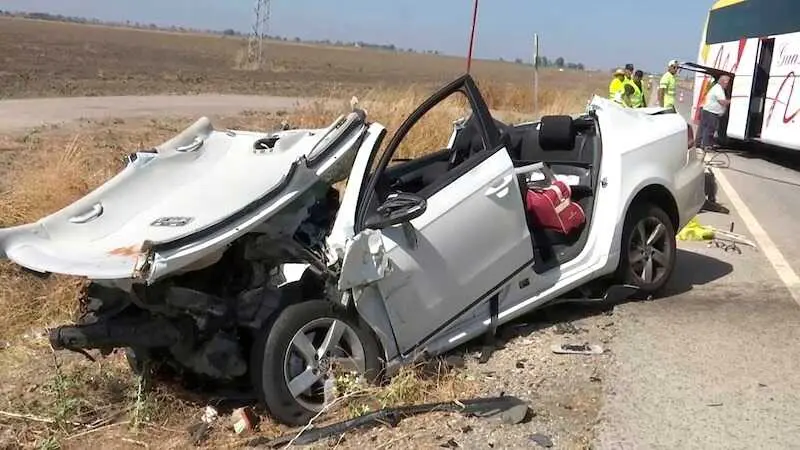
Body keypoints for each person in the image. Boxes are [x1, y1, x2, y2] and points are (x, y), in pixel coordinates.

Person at [698, 74, 731, 149]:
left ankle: (699, 143)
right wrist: (731, 101)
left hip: (708, 110)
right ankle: (705, 145)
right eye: (727, 82)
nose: (728, 84)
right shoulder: (718, 89)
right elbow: (722, 102)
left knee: (703, 128)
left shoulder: (718, 88)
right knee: (709, 128)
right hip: (711, 112)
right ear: (724, 82)